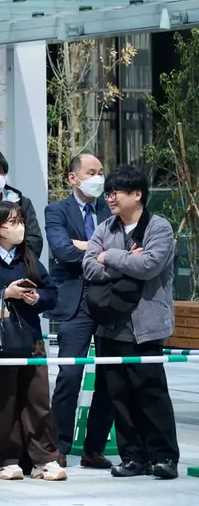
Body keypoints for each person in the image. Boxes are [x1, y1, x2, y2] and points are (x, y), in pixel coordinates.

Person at [83, 164, 179, 479]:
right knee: (119, 395)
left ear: (137, 194)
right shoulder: (105, 228)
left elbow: (150, 265)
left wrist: (109, 256)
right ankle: (133, 457)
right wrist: (127, 260)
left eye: (117, 192)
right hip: (110, 323)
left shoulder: (159, 227)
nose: (110, 198)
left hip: (146, 325)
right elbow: (88, 267)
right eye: (108, 193)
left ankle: (164, 456)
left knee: (151, 393)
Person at [0, 201, 65, 481]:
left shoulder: (28, 257)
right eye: (13, 222)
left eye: (21, 221)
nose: (19, 227)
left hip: (30, 339)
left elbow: (52, 292)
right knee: (1, 402)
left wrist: (37, 297)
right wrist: (3, 293)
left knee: (38, 400)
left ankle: (44, 459)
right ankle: (7, 459)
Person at [45, 153, 115, 469]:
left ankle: (93, 449)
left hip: (109, 301)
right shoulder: (56, 210)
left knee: (109, 378)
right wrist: (102, 249)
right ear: (73, 178)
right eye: (91, 172)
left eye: (100, 172)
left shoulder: (110, 210)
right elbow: (63, 251)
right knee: (70, 376)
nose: (98, 178)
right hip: (74, 304)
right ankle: (58, 446)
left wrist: (85, 245)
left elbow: (126, 248)